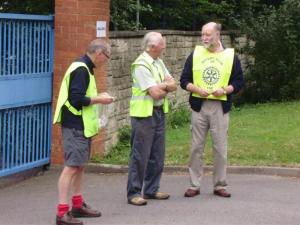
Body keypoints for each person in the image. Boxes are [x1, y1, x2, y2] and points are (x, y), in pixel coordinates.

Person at [53, 39, 114, 225]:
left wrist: (98, 97)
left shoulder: (84, 68)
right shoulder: (81, 69)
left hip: (80, 125)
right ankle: (62, 213)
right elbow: (76, 99)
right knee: (71, 166)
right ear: (99, 53)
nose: (106, 60)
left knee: (79, 165)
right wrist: (99, 100)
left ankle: (77, 205)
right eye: (107, 56)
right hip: (75, 125)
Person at [180, 22, 244, 198]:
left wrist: (224, 90)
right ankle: (194, 185)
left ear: (218, 35)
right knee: (195, 148)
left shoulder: (230, 57)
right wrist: (196, 89)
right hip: (199, 106)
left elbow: (239, 82)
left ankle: (219, 185)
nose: (204, 38)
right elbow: (183, 80)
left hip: (219, 108)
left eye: (208, 34)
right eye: (202, 34)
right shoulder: (196, 54)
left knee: (220, 148)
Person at [127, 32, 177, 206]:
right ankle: (134, 193)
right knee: (140, 155)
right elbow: (155, 93)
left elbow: (174, 85)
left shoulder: (158, 62)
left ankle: (151, 189)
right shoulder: (141, 65)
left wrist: (162, 86)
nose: (164, 46)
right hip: (143, 115)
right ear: (153, 47)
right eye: (162, 44)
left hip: (158, 113)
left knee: (157, 154)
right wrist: (165, 86)